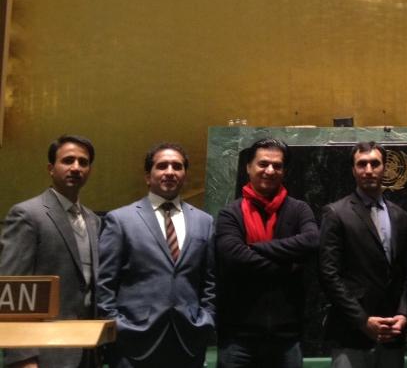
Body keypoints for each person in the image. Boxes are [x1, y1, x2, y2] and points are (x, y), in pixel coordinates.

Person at [97, 143, 215, 368]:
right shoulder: (120, 220)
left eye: (177, 166)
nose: (170, 172)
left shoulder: (204, 221)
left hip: (188, 341)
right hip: (133, 343)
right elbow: (105, 283)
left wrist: (206, 319)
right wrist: (117, 325)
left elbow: (210, 281)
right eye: (162, 166)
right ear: (147, 177)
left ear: (185, 175)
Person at [215, 138, 319, 368]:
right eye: (263, 164)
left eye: (277, 166)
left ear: (284, 171)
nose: (270, 170)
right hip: (238, 338)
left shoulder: (299, 209)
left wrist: (254, 248)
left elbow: (312, 241)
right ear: (248, 167)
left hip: (286, 337)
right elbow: (233, 257)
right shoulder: (230, 214)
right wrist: (288, 264)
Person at [0, 135, 100, 368]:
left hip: (88, 351)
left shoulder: (94, 220)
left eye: (83, 162)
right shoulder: (27, 214)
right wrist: (22, 357)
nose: (76, 167)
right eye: (68, 160)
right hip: (45, 353)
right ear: (51, 168)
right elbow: (12, 291)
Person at [318, 141, 407, 368]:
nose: (368, 170)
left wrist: (404, 314)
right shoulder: (336, 213)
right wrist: (363, 320)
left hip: (392, 332)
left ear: (384, 168)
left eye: (375, 163)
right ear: (353, 170)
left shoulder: (401, 216)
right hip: (351, 333)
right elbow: (328, 275)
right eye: (362, 164)